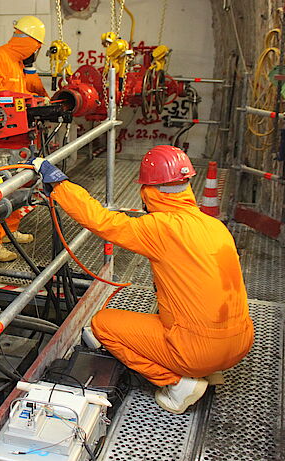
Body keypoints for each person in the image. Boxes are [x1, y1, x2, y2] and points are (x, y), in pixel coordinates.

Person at [30, 145, 254, 414]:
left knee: (103, 325)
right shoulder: (215, 225)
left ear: (149, 190)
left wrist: (58, 184)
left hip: (199, 351)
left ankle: (179, 383)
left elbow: (101, 221)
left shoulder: (159, 229)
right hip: (240, 344)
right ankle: (208, 368)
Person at [0, 15, 46, 262]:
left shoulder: (17, 64)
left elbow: (29, 90)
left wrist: (33, 88)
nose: (36, 51)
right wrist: (25, 101)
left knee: (18, 184)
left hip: (16, 136)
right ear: (31, 43)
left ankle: (10, 229)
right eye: (37, 47)